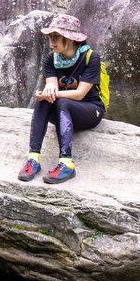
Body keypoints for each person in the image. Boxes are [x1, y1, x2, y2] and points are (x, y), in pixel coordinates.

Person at [18, 14, 104, 183]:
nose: (52, 41)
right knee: (44, 100)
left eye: (57, 37)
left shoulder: (91, 57)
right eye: (51, 37)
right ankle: (33, 159)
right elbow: (52, 86)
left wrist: (54, 94)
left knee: (62, 101)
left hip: (90, 110)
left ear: (70, 39)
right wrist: (46, 92)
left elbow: (80, 94)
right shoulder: (52, 59)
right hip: (62, 111)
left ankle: (67, 163)